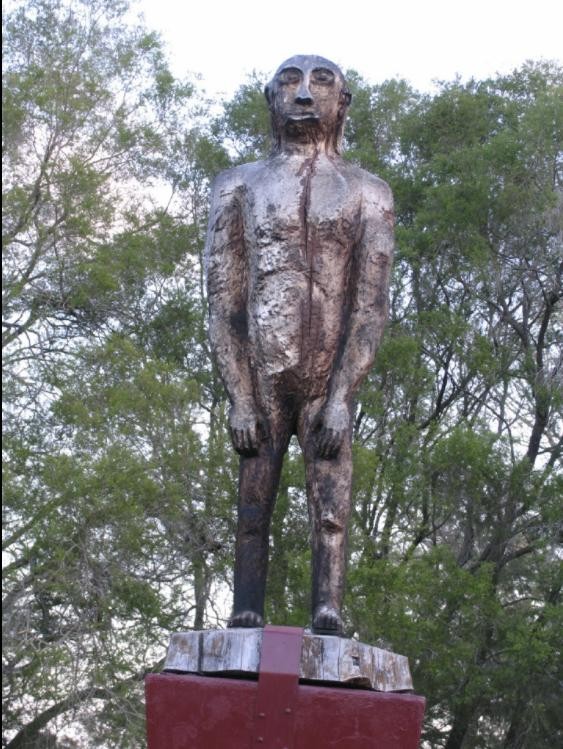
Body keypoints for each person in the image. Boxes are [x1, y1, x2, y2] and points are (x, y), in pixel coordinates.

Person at [205, 55, 394, 635]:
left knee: (331, 509)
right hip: (262, 377)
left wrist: (341, 396)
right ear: (271, 98)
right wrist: (240, 396)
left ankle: (327, 608)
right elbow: (224, 303)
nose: (305, 95)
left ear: (343, 102)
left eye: (321, 83)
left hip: (326, 379)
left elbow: (369, 306)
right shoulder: (237, 186)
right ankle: (246, 607)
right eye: (290, 82)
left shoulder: (368, 193)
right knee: (251, 506)